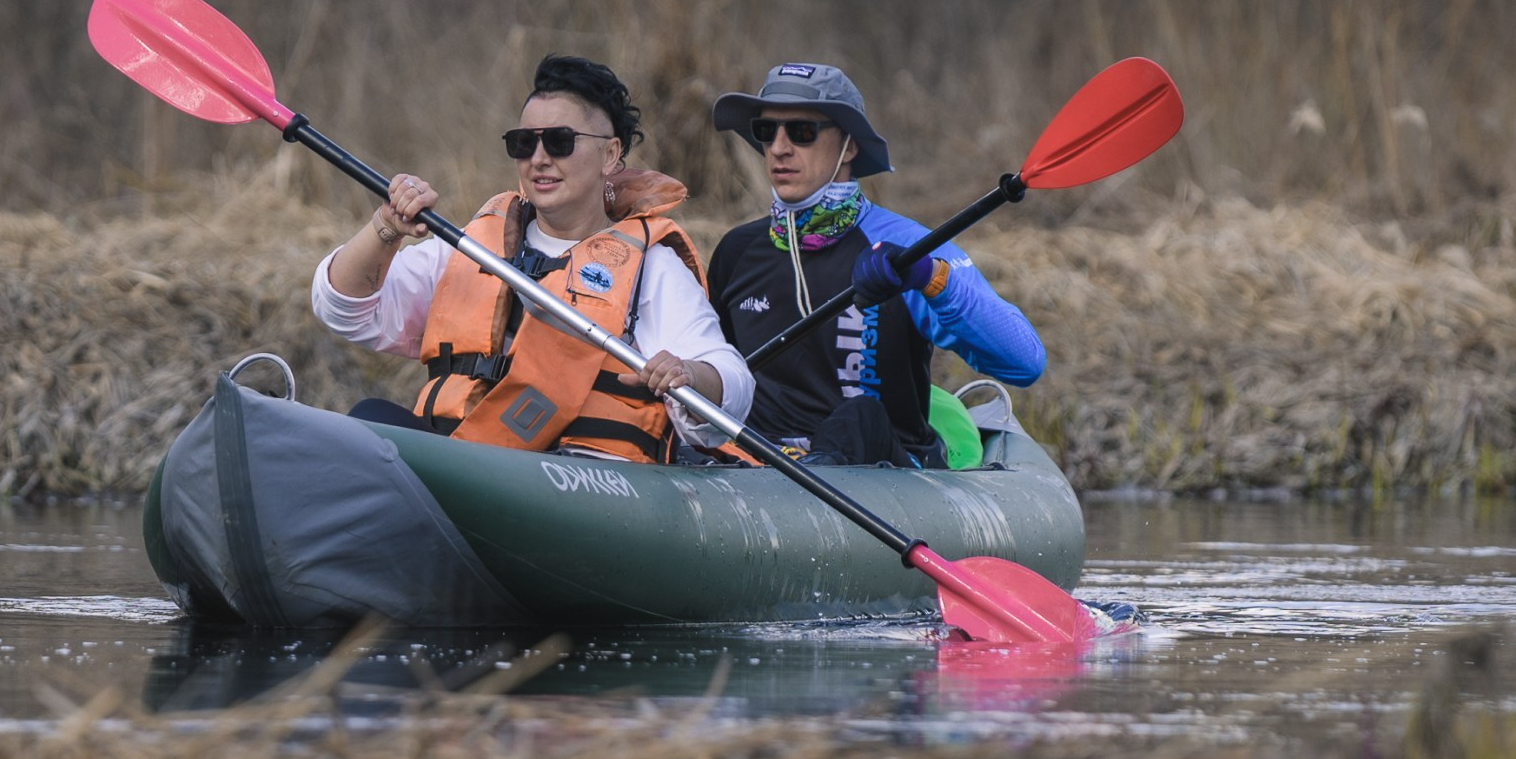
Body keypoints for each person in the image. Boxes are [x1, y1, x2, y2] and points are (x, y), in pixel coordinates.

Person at [312, 53, 752, 463]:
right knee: (370, 419)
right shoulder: (470, 245)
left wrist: (689, 373)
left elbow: (731, 385)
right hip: (461, 465)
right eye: (524, 143)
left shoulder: (651, 267)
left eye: (560, 142)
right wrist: (386, 228)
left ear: (610, 154)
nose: (539, 159)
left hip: (572, 481)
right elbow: (344, 309)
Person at [703, 60, 1047, 467]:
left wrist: (930, 278)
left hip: (887, 471)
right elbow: (714, 372)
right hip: (756, 468)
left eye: (802, 131)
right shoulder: (736, 252)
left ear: (849, 146)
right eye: (766, 131)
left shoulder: (909, 248)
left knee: (859, 417)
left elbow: (1025, 362)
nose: (779, 148)